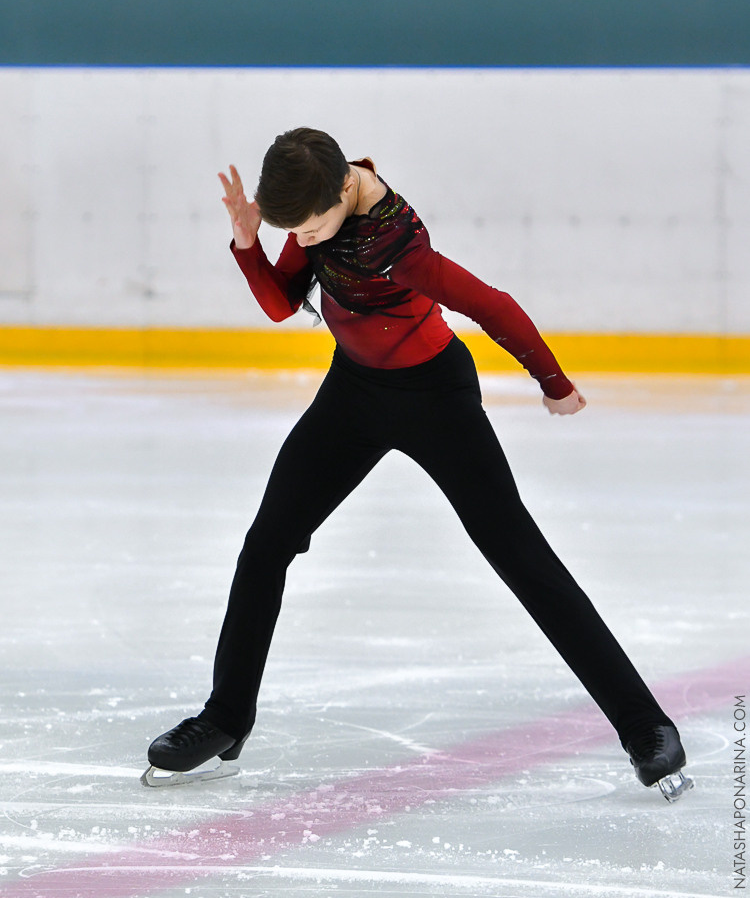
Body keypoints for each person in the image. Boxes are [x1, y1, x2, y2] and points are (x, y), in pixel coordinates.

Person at [143, 128, 691, 801]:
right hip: (355, 394)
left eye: (311, 228)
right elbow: (284, 304)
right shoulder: (317, 192)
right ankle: (225, 720)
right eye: (299, 232)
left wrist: (552, 383)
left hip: (436, 398)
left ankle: (645, 728)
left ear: (345, 188)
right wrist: (248, 240)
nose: (308, 241)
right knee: (266, 545)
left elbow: (493, 305)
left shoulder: (400, 246)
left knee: (523, 558)